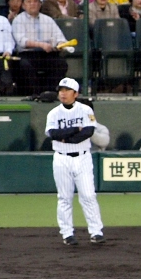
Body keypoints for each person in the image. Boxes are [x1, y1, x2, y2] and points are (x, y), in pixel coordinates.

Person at [46, 78, 104, 246]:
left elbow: (88, 132)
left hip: (82, 157)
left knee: (88, 195)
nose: (62, 93)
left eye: (67, 90)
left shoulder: (85, 110)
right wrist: (73, 131)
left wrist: (66, 137)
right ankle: (67, 233)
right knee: (64, 197)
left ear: (75, 93)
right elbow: (53, 134)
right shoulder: (53, 113)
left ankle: (96, 232)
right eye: (61, 90)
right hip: (61, 158)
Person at [12, 0, 69, 96]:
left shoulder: (48, 20)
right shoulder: (18, 20)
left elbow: (60, 37)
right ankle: (35, 94)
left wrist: (60, 45)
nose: (32, 4)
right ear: (23, 5)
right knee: (24, 65)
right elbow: (21, 41)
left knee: (61, 63)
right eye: (29, 2)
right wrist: (41, 45)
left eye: (35, 1)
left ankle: (49, 93)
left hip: (47, 53)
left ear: (40, 4)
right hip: (27, 54)